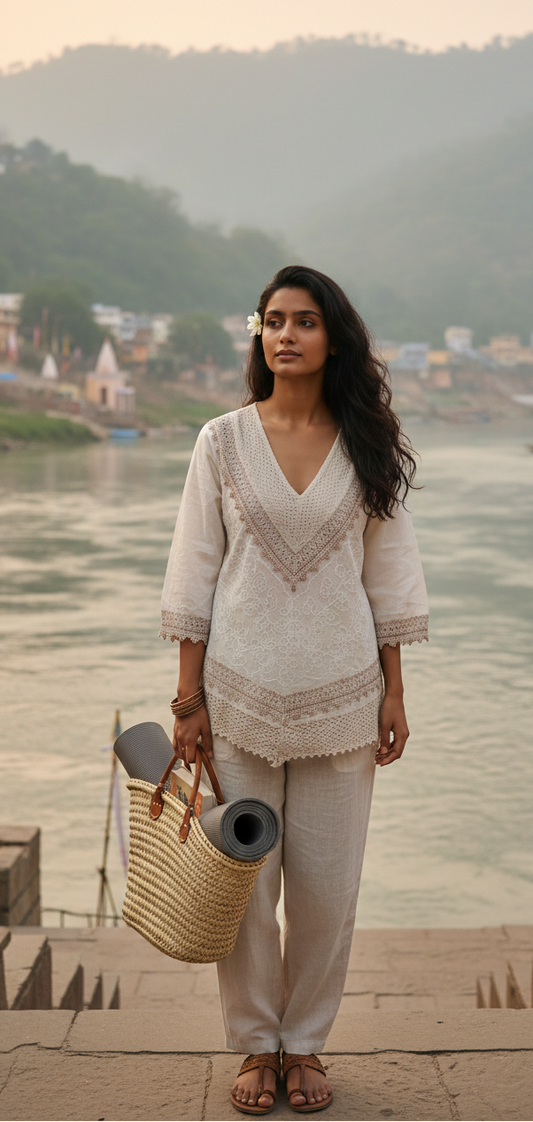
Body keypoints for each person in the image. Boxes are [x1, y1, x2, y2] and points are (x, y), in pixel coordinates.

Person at [160, 265, 428, 1114]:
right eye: (272, 319)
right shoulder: (220, 441)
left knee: (325, 891)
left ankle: (303, 1046)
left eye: (304, 321)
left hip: (344, 701)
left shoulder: (368, 447)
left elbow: (387, 578)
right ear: (259, 334)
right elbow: (195, 572)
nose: (284, 334)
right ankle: (253, 1047)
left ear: (332, 338)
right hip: (234, 701)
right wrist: (187, 701)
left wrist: (394, 690)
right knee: (244, 891)